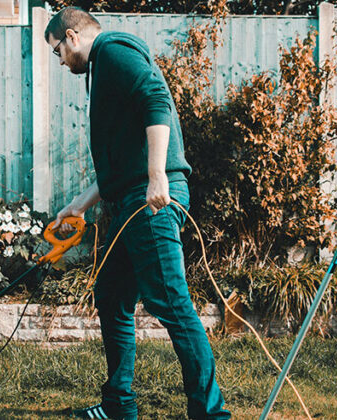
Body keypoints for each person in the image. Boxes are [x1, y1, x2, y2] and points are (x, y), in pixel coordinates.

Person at [45, 7, 231, 420]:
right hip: (133, 198)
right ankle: (118, 406)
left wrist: (156, 176)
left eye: (57, 51)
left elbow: (156, 99)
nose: (59, 61)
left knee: (171, 304)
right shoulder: (101, 68)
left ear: (72, 37)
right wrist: (78, 205)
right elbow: (120, 165)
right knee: (111, 294)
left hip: (151, 201)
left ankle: (211, 415)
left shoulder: (114, 49)